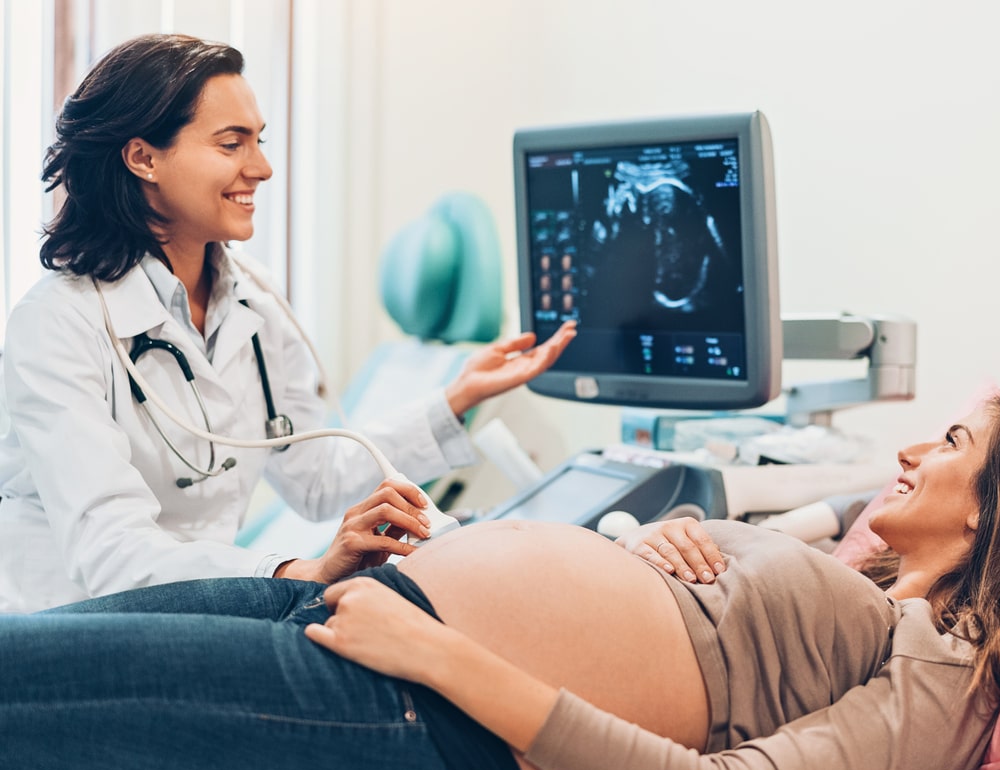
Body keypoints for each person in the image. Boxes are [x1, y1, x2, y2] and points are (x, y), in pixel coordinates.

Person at [0, 395, 1000, 770]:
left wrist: (439, 655)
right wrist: (645, 544)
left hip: (401, 714)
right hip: (348, 608)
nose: (910, 450)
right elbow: (706, 576)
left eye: (951, 447)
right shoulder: (865, 581)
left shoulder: (945, 674)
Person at [0, 33, 576, 612]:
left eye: (260, 141)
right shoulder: (57, 324)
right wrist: (302, 571)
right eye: (232, 144)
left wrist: (458, 397)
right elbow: (110, 550)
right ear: (144, 157)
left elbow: (314, 479)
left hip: (206, 612)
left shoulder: (255, 299)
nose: (263, 168)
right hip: (67, 630)